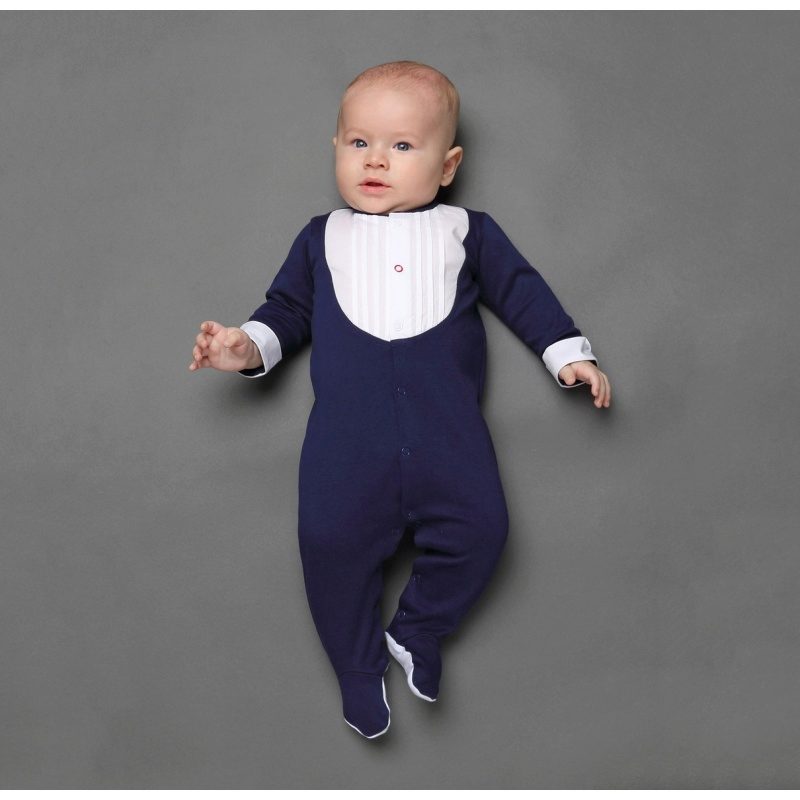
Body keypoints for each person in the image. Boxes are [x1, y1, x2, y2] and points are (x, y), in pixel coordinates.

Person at [189, 61, 611, 739]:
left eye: (403, 145)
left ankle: (418, 628)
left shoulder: (467, 231)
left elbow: (522, 292)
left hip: (449, 435)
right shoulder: (322, 236)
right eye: (359, 142)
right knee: (328, 546)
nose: (376, 160)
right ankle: (358, 670)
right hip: (346, 445)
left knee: (483, 530)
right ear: (335, 148)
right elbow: (286, 311)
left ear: (448, 167)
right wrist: (245, 347)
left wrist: (568, 353)